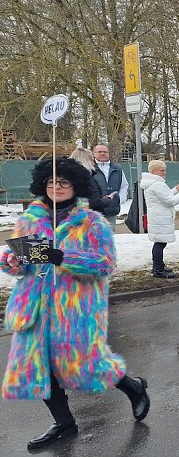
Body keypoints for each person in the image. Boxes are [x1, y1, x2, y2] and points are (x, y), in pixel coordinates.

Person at [1, 157, 150, 450]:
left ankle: (133, 388)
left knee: (89, 365)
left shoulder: (91, 222)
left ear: (76, 186)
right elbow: (13, 263)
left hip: (75, 309)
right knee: (39, 367)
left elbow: (105, 263)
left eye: (64, 182)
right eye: (51, 182)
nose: (56, 187)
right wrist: (13, 260)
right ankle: (64, 423)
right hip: (34, 306)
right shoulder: (29, 219)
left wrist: (63, 258)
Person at [141, 160, 179, 278]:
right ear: (154, 171)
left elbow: (165, 196)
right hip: (161, 217)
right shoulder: (158, 184)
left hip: (157, 216)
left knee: (159, 243)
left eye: (165, 170)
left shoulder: (152, 183)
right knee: (160, 244)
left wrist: (176, 189)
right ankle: (158, 270)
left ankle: (158, 266)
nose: (164, 172)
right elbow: (170, 201)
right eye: (162, 170)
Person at [92, 144, 129, 226]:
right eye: (99, 152)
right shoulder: (89, 168)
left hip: (112, 210)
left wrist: (120, 199)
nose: (102, 153)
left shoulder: (117, 169)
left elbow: (124, 186)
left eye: (105, 152)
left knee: (111, 235)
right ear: (94, 154)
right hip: (94, 210)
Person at [69, 147, 112, 214]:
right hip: (87, 217)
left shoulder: (68, 177)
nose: (94, 163)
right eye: (92, 160)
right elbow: (94, 203)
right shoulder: (86, 179)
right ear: (87, 161)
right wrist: (108, 199)